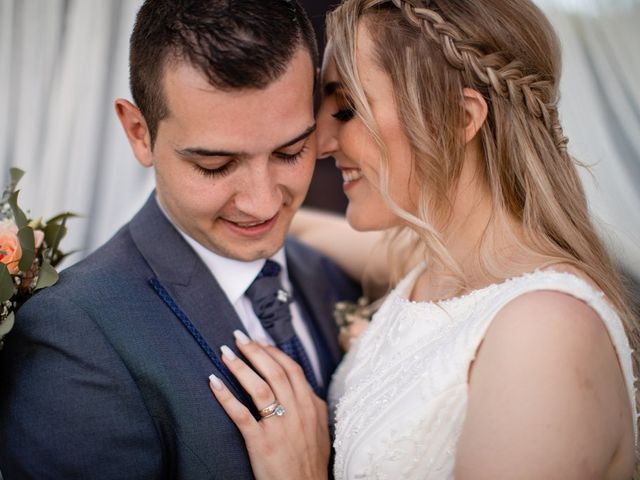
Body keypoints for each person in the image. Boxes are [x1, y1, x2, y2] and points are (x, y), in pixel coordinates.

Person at [208, 0, 639, 478]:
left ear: (458, 119)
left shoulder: (547, 332)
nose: (322, 141)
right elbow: (297, 227)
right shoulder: (438, 266)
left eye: (347, 108)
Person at [0, 1, 360, 478]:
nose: (262, 202)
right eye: (215, 165)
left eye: (291, 152)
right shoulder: (72, 336)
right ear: (139, 133)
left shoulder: (330, 278)